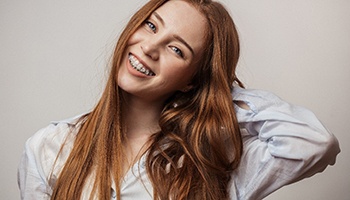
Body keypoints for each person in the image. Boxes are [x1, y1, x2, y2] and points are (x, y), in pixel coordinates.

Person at [17, 0, 340, 199]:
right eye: (151, 25)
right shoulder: (50, 147)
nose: (149, 47)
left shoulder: (214, 161)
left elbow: (312, 141)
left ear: (193, 80)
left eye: (177, 49)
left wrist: (214, 91)